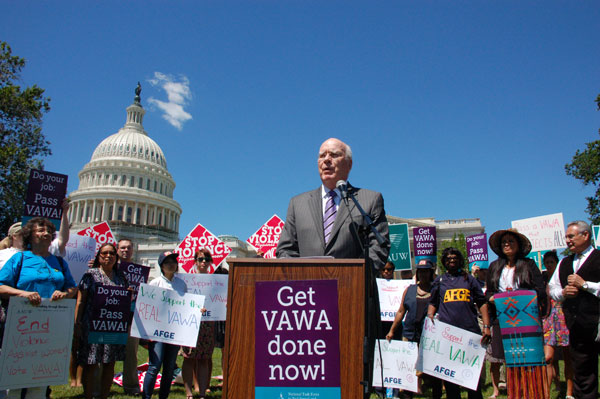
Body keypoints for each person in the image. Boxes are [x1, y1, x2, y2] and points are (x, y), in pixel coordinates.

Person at [276, 137, 389, 270]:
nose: (326, 159)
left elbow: (379, 247)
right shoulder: (297, 204)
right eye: (322, 155)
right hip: (308, 288)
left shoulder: (370, 200)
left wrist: (356, 275)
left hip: (353, 286)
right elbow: (285, 249)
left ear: (349, 164)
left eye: (334, 155)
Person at [0, 217, 78, 399]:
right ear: (30, 235)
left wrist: (64, 294)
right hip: (21, 325)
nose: (46, 233)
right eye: (40, 230)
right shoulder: (19, 259)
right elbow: (1, 286)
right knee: (15, 380)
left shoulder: (59, 262)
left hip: (49, 326)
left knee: (40, 380)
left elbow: (72, 287)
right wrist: (23, 294)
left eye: (49, 230)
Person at [485, 228, 546, 399]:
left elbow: (540, 290)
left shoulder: (529, 265)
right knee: (508, 359)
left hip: (526, 320)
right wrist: (495, 299)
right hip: (503, 319)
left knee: (528, 359)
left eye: (511, 241)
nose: (507, 244)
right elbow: (489, 292)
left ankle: (531, 392)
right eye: (504, 242)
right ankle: (514, 392)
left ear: (518, 245)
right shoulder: (495, 267)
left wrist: (517, 297)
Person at [428, 248, 491, 399]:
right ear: (444, 261)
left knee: (472, 380)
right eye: (449, 258)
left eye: (455, 258)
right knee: (451, 380)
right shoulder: (440, 281)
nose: (452, 260)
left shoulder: (469, 279)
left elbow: (482, 303)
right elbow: (433, 303)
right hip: (448, 336)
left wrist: (487, 327)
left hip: (470, 333)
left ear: (460, 260)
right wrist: (430, 317)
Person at [548, 220, 600, 399]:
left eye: (571, 236)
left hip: (597, 321)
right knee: (582, 369)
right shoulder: (564, 263)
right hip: (577, 324)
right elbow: (552, 289)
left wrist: (585, 285)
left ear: (585, 235)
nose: (567, 240)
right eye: (566, 237)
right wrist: (562, 292)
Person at [75, 243, 129, 399]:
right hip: (92, 325)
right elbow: (81, 301)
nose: (108, 256)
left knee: (109, 363)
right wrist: (77, 323)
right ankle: (89, 395)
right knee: (90, 363)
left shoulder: (121, 278)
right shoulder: (90, 275)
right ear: (99, 256)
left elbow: (124, 301)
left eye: (112, 253)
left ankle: (104, 395)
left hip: (112, 325)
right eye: (104, 253)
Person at [386, 259, 441, 399]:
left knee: (432, 371)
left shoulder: (436, 290)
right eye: (421, 271)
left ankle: (436, 394)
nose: (423, 274)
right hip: (410, 334)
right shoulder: (409, 290)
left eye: (426, 271)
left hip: (429, 337)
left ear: (431, 273)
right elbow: (401, 311)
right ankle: (407, 395)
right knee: (408, 369)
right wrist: (392, 330)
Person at [142, 251, 187, 399]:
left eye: (174, 262)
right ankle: (147, 396)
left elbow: (186, 307)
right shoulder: (155, 283)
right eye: (168, 262)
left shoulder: (181, 284)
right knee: (154, 366)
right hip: (157, 332)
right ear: (161, 266)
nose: (171, 265)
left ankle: (163, 397)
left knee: (169, 368)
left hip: (174, 332)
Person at [181, 248, 216, 399]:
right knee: (189, 359)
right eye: (200, 259)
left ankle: (202, 392)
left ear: (210, 263)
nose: (203, 262)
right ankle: (189, 392)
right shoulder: (186, 280)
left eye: (207, 260)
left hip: (208, 324)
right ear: (195, 261)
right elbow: (181, 300)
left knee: (204, 359)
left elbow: (219, 301)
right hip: (190, 323)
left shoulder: (216, 282)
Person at [542, 250, 573, 398]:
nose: (548, 265)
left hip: (563, 317)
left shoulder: (564, 276)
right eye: (546, 263)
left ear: (556, 263)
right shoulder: (542, 279)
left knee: (568, 356)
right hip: (548, 318)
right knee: (548, 358)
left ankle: (569, 392)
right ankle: (546, 393)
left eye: (551, 262)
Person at [117, 238, 143, 396]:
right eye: (122, 248)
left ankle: (131, 385)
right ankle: (99, 384)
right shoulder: (109, 268)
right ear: (117, 249)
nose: (125, 250)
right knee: (106, 351)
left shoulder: (139, 271)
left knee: (131, 353)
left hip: (132, 315)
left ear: (133, 250)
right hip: (112, 314)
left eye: (128, 248)